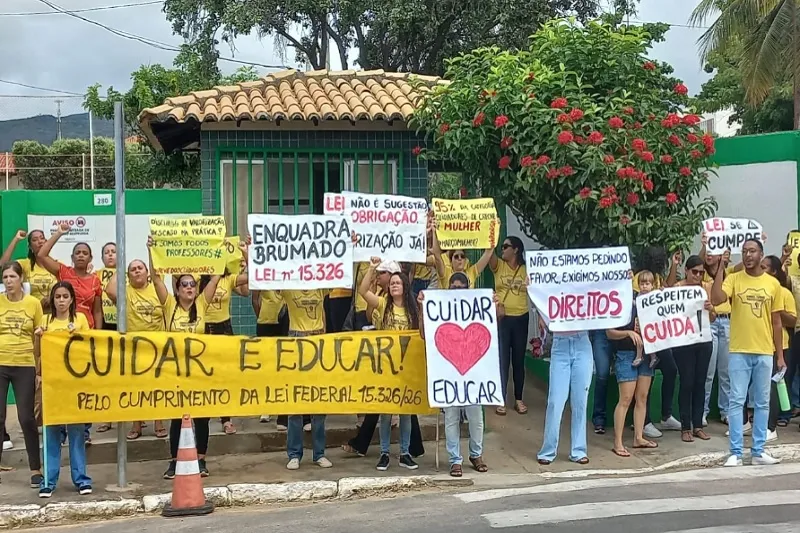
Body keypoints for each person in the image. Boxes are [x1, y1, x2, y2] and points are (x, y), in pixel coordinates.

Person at [145, 236, 222, 479]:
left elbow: (217, 275)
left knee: (201, 417)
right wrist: (152, 250)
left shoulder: (202, 303)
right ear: (178, 289)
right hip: (175, 372)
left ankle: (200, 459)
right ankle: (174, 461)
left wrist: (221, 250)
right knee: (178, 417)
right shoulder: (169, 305)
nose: (189, 288)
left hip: (200, 371)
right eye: (185, 284)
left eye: (192, 284)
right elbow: (156, 277)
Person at [710, 239, 785, 467]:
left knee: (762, 403)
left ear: (761, 254)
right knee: (736, 401)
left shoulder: (772, 284)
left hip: (764, 351)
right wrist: (721, 267)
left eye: (752, 251)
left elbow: (777, 322)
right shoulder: (733, 279)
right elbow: (716, 299)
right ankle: (735, 452)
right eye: (744, 252)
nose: (747, 255)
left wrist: (780, 355)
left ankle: (758, 451)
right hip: (739, 351)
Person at [418, 271, 488, 477]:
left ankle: (476, 454)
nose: (457, 291)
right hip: (449, 371)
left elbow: (497, 318)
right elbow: (424, 334)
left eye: (461, 288)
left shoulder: (476, 308)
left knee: (476, 416)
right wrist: (423, 308)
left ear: (468, 289)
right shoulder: (440, 307)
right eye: (453, 287)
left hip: (473, 370)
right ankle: (455, 459)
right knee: (451, 416)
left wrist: (492, 304)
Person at [358, 256, 420, 471]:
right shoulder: (383, 304)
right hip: (386, 366)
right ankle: (384, 453)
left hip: (407, 366)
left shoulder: (414, 309)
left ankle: (404, 453)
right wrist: (372, 268)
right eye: (391, 282)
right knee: (385, 412)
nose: (393, 285)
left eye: (397, 282)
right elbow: (363, 291)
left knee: (405, 412)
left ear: (404, 286)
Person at [36, 282, 92, 497]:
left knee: (77, 433)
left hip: (73, 383)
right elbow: (39, 352)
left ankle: (81, 479)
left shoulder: (80, 320)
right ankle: (48, 481)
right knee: (51, 434)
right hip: (52, 383)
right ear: (53, 299)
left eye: (64, 296)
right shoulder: (45, 321)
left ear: (71, 299)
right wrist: (39, 336)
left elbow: (88, 348)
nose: (60, 300)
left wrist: (76, 334)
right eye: (57, 296)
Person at [105, 259, 167, 440]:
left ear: (147, 272)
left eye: (140, 268)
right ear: (128, 274)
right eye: (133, 270)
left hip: (158, 346)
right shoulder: (125, 293)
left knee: (157, 387)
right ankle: (136, 425)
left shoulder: (157, 289)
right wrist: (120, 266)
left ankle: (159, 422)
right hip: (133, 348)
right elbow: (109, 290)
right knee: (135, 387)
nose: (137, 271)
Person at [278, 287, 332, 470]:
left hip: (318, 340)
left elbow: (341, 275)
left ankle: (319, 453)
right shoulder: (289, 289)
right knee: (295, 403)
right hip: (296, 340)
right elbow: (266, 280)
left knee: (319, 401)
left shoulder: (320, 287)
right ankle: (294, 454)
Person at [0, 261, 43, 487]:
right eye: (5, 277)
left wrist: (38, 369)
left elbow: (39, 337)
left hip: (25, 364)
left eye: (12, 277)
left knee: (26, 417)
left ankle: (35, 469)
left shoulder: (33, 304)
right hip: (1, 363)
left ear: (20, 279)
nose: (8, 281)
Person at [608, 276, 658, 457]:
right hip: (626, 354)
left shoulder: (648, 301)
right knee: (626, 398)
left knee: (642, 397)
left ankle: (638, 437)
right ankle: (618, 442)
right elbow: (609, 333)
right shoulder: (617, 303)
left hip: (647, 352)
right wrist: (628, 332)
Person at [203, 245, 249, 436]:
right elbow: (176, 279)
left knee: (224, 375)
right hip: (203, 329)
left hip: (224, 328)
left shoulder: (228, 279)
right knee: (203, 376)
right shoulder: (197, 280)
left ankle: (226, 419)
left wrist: (247, 253)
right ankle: (201, 417)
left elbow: (252, 279)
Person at [537, 315, 593, 465]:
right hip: (560, 342)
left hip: (582, 341)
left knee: (580, 401)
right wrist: (540, 314)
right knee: (555, 401)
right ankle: (548, 450)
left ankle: (579, 450)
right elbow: (540, 295)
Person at [672, 256, 715, 443]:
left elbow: (712, 318)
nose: (698, 275)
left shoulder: (706, 288)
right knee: (687, 382)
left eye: (701, 272)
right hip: (683, 342)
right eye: (694, 272)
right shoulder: (678, 288)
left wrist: (711, 309)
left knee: (700, 382)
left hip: (703, 340)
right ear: (687, 271)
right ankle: (685, 426)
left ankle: (697, 425)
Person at [488, 236, 529, 416]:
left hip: (521, 317)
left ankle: (519, 398)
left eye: (506, 246)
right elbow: (489, 253)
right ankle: (501, 399)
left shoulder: (526, 269)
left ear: (516, 250)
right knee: (502, 360)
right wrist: (490, 235)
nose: (502, 249)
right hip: (503, 318)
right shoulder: (499, 266)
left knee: (518, 360)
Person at [36, 223, 102, 329]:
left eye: (85, 253)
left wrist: (98, 334)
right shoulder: (63, 271)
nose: (81, 255)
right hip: (62, 328)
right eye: (78, 253)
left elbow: (97, 311)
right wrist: (58, 233)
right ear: (72, 257)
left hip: (86, 330)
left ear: (90, 258)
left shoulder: (95, 281)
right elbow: (42, 255)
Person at [762, 254, 796, 439]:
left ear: (774, 272)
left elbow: (792, 320)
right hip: (760, 344)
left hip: (780, 345)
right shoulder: (759, 289)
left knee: (774, 385)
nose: (761, 270)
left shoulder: (783, 293)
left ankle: (771, 426)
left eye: (765, 267)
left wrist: (777, 310)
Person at [701, 237, 733, 425]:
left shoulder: (729, 274)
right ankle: (703, 411)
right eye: (708, 252)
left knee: (725, 371)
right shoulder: (702, 273)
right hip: (709, 322)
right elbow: (698, 259)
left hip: (727, 322)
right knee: (708, 371)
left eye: (715, 252)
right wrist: (704, 245)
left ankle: (726, 411)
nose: (710, 255)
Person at [93, 242, 117, 435]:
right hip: (105, 325)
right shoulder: (96, 276)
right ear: (102, 257)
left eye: (114, 251)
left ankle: (137, 419)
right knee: (107, 373)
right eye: (107, 252)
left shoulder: (127, 273)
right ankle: (107, 418)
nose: (110, 255)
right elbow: (97, 303)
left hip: (124, 324)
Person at [252, 289, 287, 423]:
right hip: (265, 323)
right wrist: (261, 315)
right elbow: (255, 299)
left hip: (284, 322)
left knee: (283, 366)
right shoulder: (264, 272)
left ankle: (282, 410)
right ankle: (265, 407)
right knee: (266, 367)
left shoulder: (287, 271)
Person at [1, 229, 57, 313]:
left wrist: (52, 298)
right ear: (30, 247)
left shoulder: (55, 264)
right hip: (31, 312)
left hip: (54, 313)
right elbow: (3, 264)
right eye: (35, 240)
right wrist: (16, 239)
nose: (39, 241)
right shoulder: (26, 264)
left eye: (42, 238)